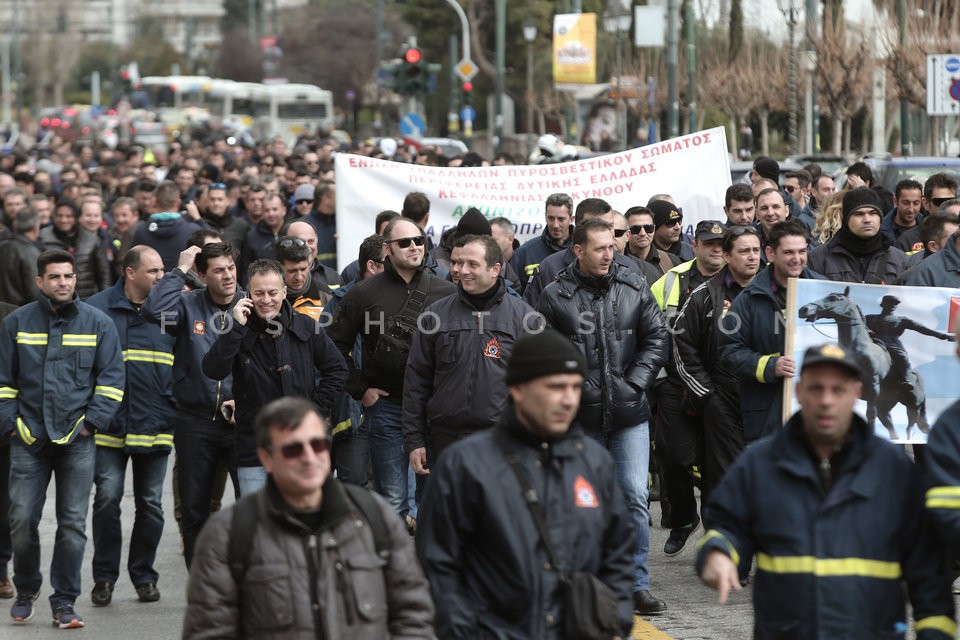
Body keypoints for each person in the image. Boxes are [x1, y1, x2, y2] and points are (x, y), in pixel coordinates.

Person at [697, 343, 956, 639]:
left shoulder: (893, 469)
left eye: (838, 390)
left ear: (857, 392)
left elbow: (928, 570)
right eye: (816, 388)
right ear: (798, 392)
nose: (826, 400)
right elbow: (728, 525)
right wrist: (718, 553)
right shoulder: (760, 465)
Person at [416, 330, 636, 638]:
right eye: (555, 387)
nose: (569, 399)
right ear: (518, 389)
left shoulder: (594, 462)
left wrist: (615, 622)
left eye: (575, 387)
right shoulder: (465, 465)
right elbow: (437, 566)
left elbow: (618, 556)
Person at [183, 397, 435, 638]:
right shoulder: (228, 534)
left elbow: (413, 614)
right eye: (293, 449)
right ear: (266, 458)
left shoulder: (374, 517)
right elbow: (209, 631)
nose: (309, 457)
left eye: (318, 444)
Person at [537, 218, 670, 615]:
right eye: (599, 248)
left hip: (630, 414)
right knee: (583, 502)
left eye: (612, 247)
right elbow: (542, 351)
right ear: (578, 250)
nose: (609, 254)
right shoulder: (554, 295)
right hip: (578, 419)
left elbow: (658, 336)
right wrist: (572, 392)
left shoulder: (633, 285)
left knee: (633, 496)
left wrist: (635, 383)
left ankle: (635, 584)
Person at [0, 249, 125, 628]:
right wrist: (11, 426)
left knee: (72, 525)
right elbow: (3, 382)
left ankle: (64, 601)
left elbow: (112, 380)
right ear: (40, 282)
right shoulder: (16, 323)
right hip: (29, 438)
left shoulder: (98, 324)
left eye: (68, 276)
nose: (63, 283)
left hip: (78, 440)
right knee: (21, 519)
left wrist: (91, 424)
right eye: (54, 277)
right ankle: (26, 588)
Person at [327, 218, 456, 516]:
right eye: (405, 242)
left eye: (419, 241)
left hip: (434, 409)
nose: (414, 247)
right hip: (387, 409)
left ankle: (426, 562)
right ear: (387, 249)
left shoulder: (446, 291)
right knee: (393, 502)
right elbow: (333, 346)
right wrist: (361, 389)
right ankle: (397, 563)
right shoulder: (362, 293)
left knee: (434, 502)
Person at [202, 259, 348, 496]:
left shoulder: (306, 326)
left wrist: (315, 409)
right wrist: (235, 328)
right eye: (259, 293)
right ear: (248, 294)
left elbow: (337, 370)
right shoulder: (239, 328)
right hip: (254, 444)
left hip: (301, 442)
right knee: (258, 521)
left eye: (272, 292)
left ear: (284, 292)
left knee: (300, 517)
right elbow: (213, 369)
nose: (266, 299)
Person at [142, 242, 244, 567]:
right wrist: (178, 269)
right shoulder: (188, 306)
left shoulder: (251, 303)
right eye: (218, 270)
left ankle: (250, 580)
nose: (227, 275)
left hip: (242, 421)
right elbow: (152, 311)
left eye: (231, 268)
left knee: (252, 505)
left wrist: (245, 400)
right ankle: (201, 582)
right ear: (202, 274)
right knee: (194, 508)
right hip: (194, 421)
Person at [404, 235, 540, 472]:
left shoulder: (524, 317)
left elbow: (537, 385)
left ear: (495, 269)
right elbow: (417, 379)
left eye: (472, 264)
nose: (461, 270)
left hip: (502, 441)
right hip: (445, 440)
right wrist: (414, 441)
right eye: (459, 263)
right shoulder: (435, 314)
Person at [86, 246, 173, 606]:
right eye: (153, 271)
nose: (160, 277)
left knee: (151, 504)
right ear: (130, 272)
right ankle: (104, 579)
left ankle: (143, 577)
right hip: (108, 425)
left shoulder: (172, 308)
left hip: (156, 420)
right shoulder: (96, 309)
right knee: (106, 500)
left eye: (162, 270)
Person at [671, 225, 761, 503]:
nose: (752, 257)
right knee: (725, 480)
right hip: (720, 400)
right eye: (744, 251)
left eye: (756, 250)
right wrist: (707, 395)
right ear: (726, 256)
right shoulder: (703, 295)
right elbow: (681, 345)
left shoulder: (775, 291)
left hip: (764, 398)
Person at [719, 219, 823, 443]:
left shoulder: (824, 291)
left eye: (802, 251)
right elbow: (729, 352)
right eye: (788, 252)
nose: (797, 259)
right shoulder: (748, 300)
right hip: (768, 415)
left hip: (818, 411)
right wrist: (770, 366)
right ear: (771, 253)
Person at [807, 188, 909, 285]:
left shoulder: (899, 260)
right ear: (846, 219)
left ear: (880, 218)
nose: (867, 219)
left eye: (873, 213)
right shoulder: (819, 258)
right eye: (859, 214)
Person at [510, 193, 574, 290]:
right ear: (545, 217)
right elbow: (513, 293)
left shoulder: (581, 251)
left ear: (571, 219)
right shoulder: (524, 253)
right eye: (551, 218)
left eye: (561, 219)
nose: (555, 225)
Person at [0, 206, 41, 306]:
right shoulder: (31, 252)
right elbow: (34, 290)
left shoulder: (2, 246)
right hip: (20, 312)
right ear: (36, 227)